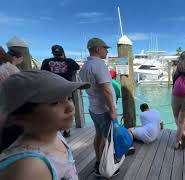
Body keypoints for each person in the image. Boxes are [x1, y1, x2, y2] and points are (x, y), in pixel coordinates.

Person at [0, 70, 90, 180]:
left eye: (69, 98)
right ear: (20, 116)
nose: (70, 107)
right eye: (55, 102)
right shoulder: (29, 167)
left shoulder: (55, 134)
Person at [79, 37, 120, 177]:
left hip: (93, 108)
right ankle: (105, 165)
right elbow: (106, 90)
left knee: (99, 136)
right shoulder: (99, 65)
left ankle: (98, 161)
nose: (107, 51)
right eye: (105, 48)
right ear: (97, 49)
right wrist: (113, 111)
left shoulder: (84, 67)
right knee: (108, 139)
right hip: (104, 110)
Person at [41, 45, 80, 137]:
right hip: (66, 89)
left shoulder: (47, 61)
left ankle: (55, 129)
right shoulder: (69, 61)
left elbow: (42, 72)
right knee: (67, 109)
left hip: (52, 89)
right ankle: (66, 130)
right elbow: (77, 67)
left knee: (54, 109)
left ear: (53, 53)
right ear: (63, 52)